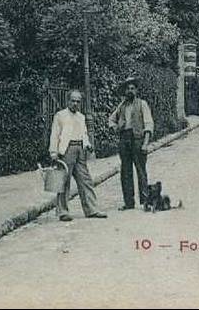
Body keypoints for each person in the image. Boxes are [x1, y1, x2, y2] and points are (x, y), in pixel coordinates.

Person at [48, 90, 107, 222]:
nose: (75, 103)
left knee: (85, 180)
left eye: (78, 101)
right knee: (64, 181)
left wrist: (87, 145)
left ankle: (92, 209)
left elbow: (83, 134)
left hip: (80, 150)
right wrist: (53, 152)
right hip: (66, 150)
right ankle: (63, 212)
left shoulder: (81, 117)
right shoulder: (60, 115)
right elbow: (55, 134)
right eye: (73, 101)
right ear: (68, 101)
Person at [108, 76, 154, 210]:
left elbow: (149, 124)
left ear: (137, 90)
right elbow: (111, 120)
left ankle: (146, 201)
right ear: (125, 91)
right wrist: (116, 127)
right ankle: (129, 202)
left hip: (138, 139)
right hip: (124, 139)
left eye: (132, 88)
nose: (130, 91)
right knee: (125, 171)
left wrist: (145, 143)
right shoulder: (121, 106)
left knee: (141, 170)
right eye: (128, 88)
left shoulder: (142, 104)